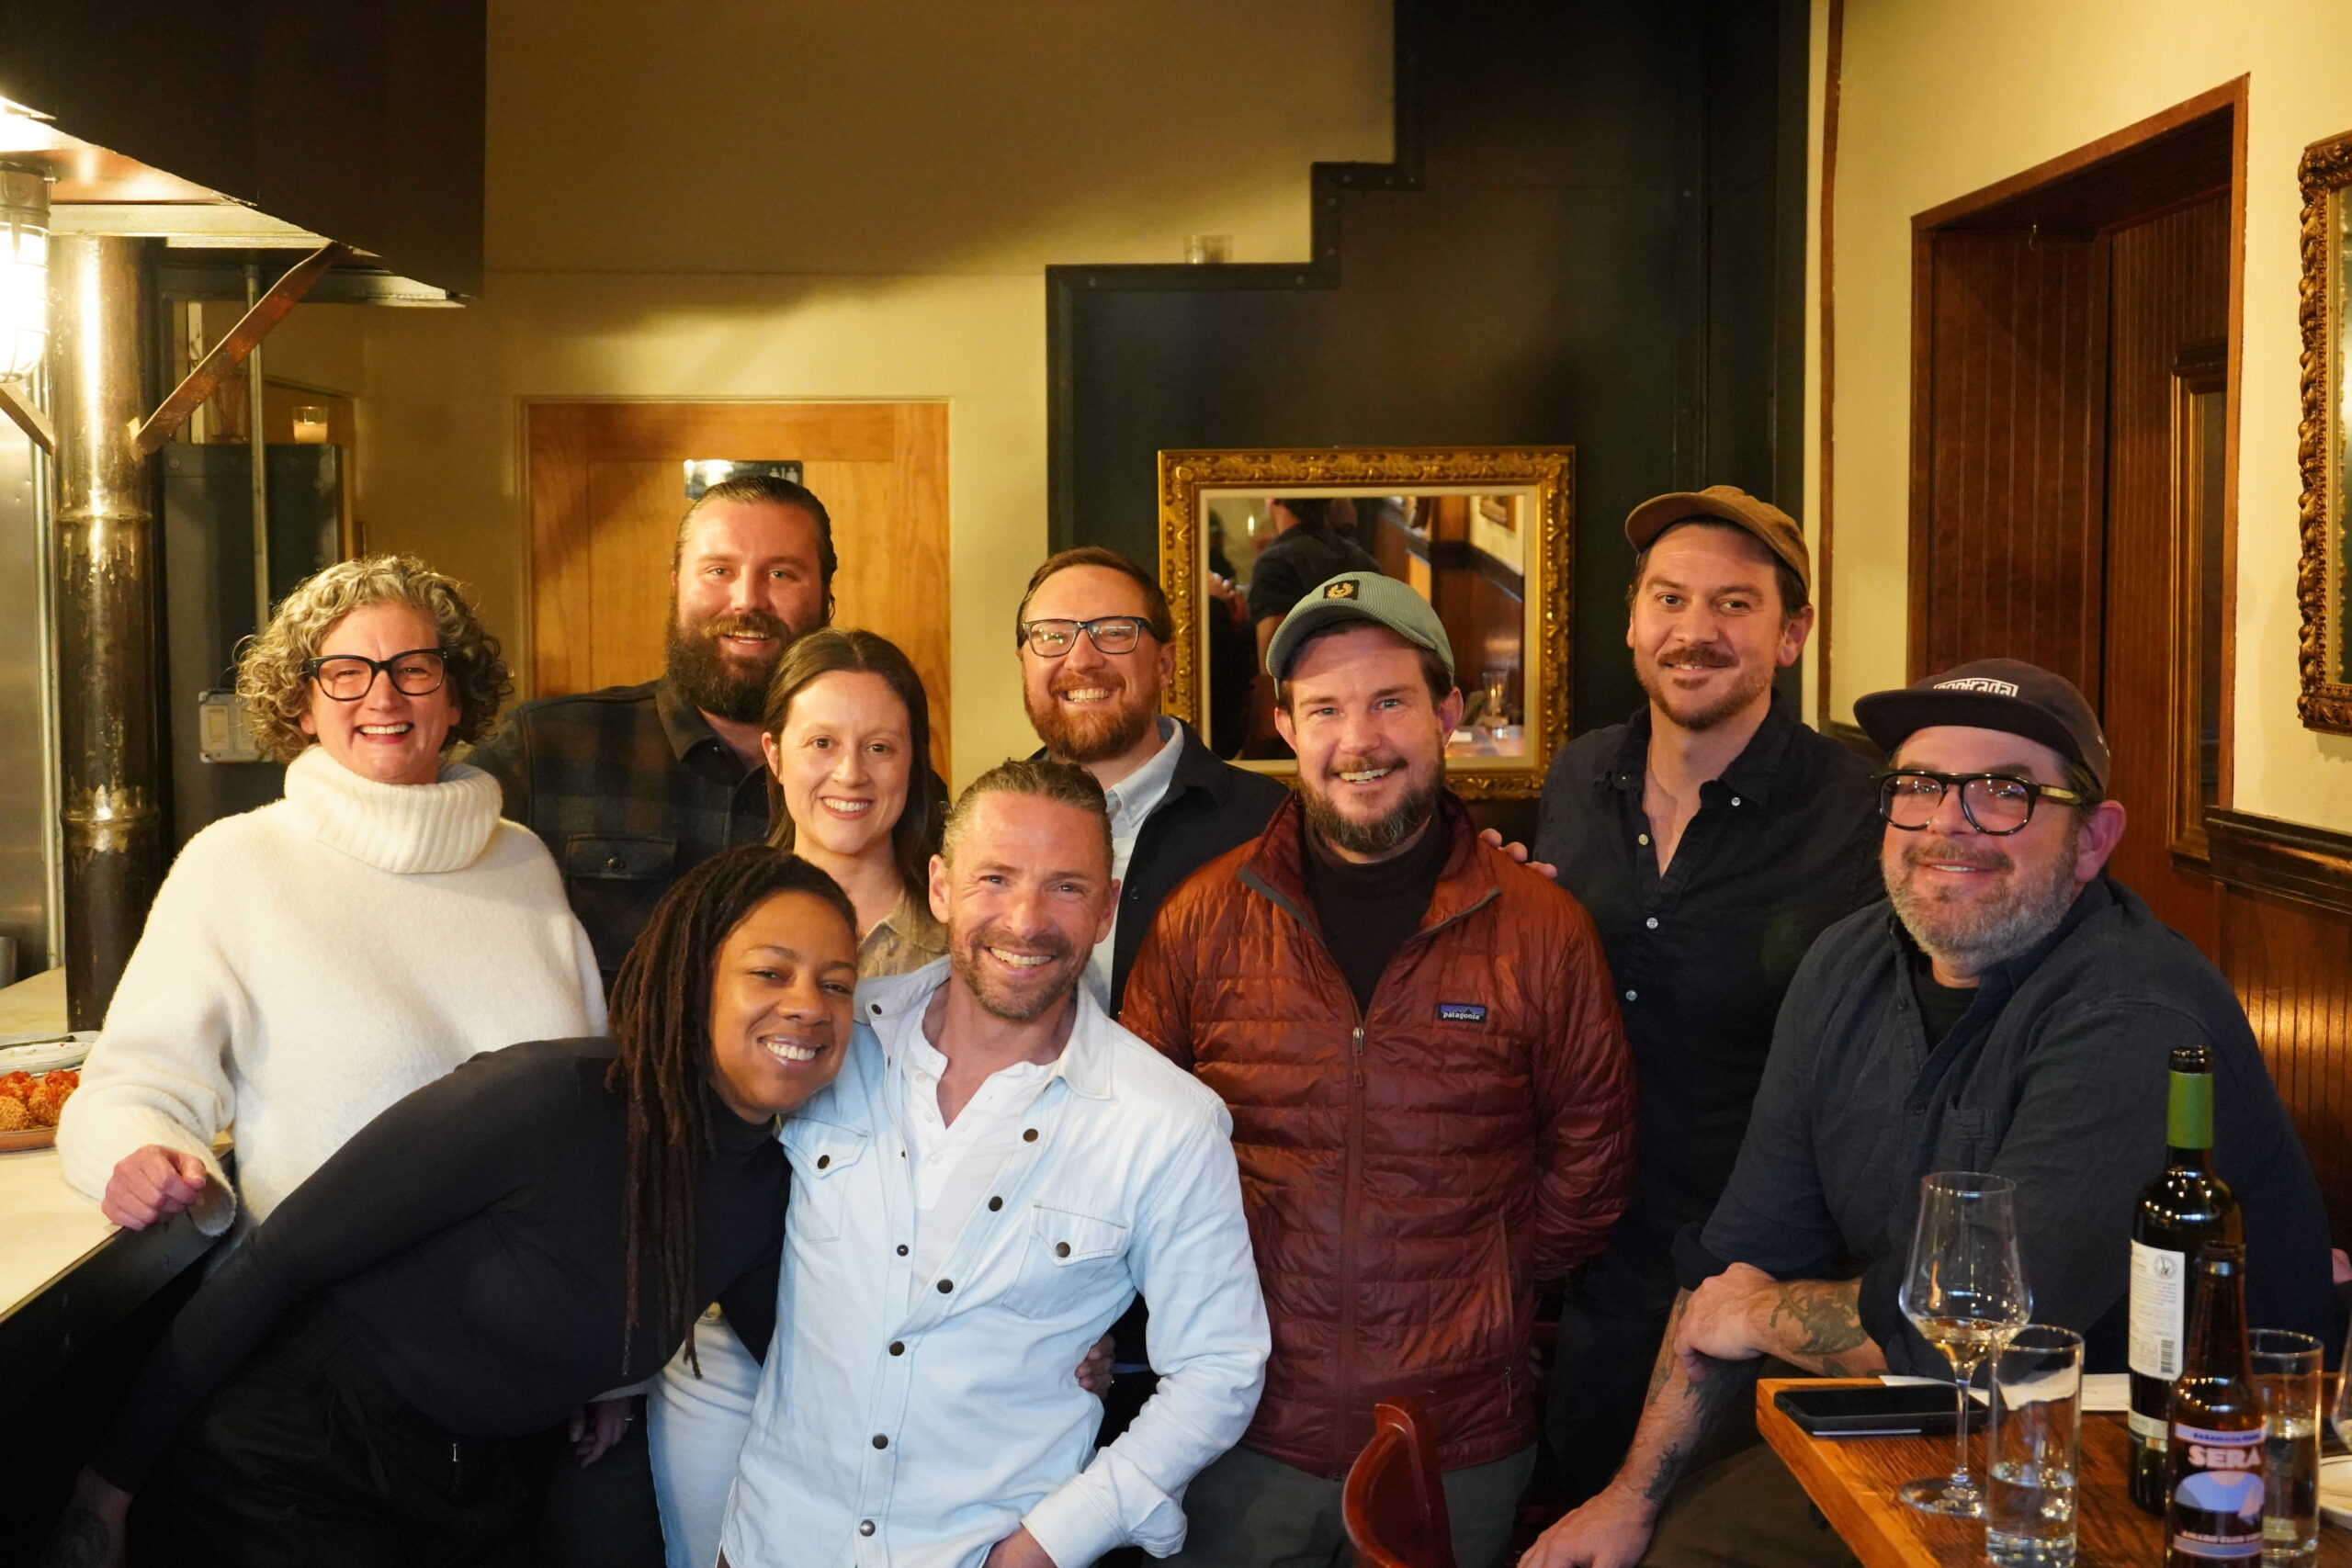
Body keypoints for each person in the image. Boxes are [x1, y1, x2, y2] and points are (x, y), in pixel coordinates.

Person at [1522, 659, 2334, 1568]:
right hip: (1923, 1434)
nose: (1948, 821)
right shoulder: (1846, 962)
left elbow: (1972, 1334)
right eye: (1918, 786)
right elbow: (1734, 1260)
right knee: (1672, 1545)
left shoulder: (2134, 1015)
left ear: (2094, 838)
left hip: (2162, 1479)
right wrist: (1629, 1500)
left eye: (2004, 792)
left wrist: (1758, 1317)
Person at [47, 847, 859, 1567]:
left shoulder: (765, 1189)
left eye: (836, 984)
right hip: (290, 1467)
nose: (808, 1004)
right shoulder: (549, 1097)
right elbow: (274, 1264)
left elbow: (824, 1377)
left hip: (474, 1494)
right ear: (695, 977)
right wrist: (101, 1499)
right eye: (770, 972)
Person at [1121, 572, 1637, 1568]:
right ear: (1285, 725)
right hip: (1235, 1432)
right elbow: (1122, 1151)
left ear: (1448, 712)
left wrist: (1483, 1285)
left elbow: (1592, 1162)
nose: (1357, 740)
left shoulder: (1542, 929)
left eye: (1390, 700)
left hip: (1455, 1444)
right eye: (1324, 709)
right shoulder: (1203, 919)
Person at [718, 759, 1271, 1568]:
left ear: (1108, 908)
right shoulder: (836, 1037)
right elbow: (700, 1160)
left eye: (1066, 887)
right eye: (995, 878)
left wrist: (1050, 1542)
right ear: (941, 887)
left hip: (977, 1553)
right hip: (774, 1542)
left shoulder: (1168, 1123)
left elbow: (1220, 1367)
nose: (1025, 920)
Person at [56, 555, 605, 1239]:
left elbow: (594, 1088)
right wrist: (142, 1156)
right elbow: (126, 1091)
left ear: (456, 698)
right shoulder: (235, 865)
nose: (383, 698)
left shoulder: (521, 859)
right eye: (346, 673)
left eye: (414, 669)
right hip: (343, 1289)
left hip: (547, 1281)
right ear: (303, 706)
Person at [1530, 487, 1882, 1502]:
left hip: (1761, 1283)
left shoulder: (1860, 809)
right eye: (1670, 599)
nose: (1695, 632)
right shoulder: (1578, 776)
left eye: (1734, 604)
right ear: (1633, 622)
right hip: (1596, 1271)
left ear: (1791, 634)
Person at [646, 627, 947, 1568]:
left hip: (898, 1351)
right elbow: (655, 1126)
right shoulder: (708, 919)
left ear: (914, 759)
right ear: (773, 753)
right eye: (821, 742)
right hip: (718, 1350)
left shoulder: (960, 946)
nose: (850, 773)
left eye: (881, 745)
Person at [471, 473, 840, 987]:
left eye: (781, 574)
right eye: (719, 570)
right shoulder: (546, 748)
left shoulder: (871, 782)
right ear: (675, 584)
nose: (747, 600)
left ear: (825, 596)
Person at [1014, 547, 1286, 1012]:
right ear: (1023, 663)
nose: (1081, 660)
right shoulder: (982, 830)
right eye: (1052, 636)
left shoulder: (1269, 827)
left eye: (1114, 632)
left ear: (1165, 663)